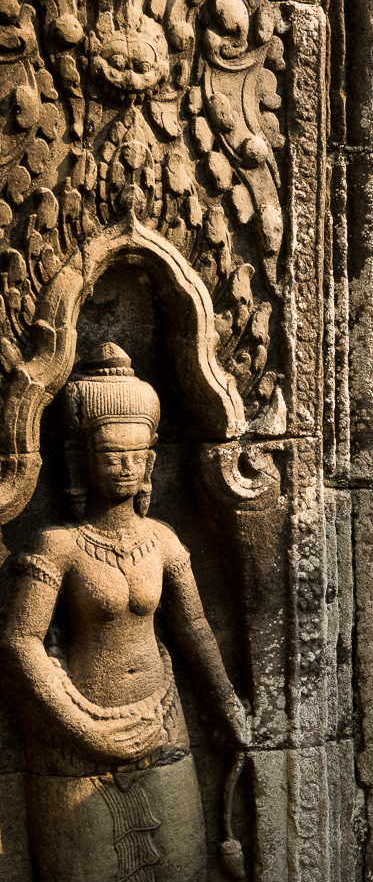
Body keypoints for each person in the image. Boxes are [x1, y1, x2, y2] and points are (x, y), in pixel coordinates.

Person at [1, 341, 250, 882]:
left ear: (150, 464)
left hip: (161, 720)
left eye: (136, 458)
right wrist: (83, 728)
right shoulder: (57, 546)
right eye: (111, 457)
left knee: (183, 868)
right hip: (77, 732)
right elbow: (20, 641)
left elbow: (193, 627)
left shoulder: (162, 540)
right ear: (79, 460)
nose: (124, 468)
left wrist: (226, 699)